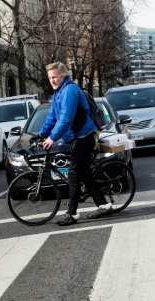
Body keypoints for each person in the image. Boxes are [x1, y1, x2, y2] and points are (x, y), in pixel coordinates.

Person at [39, 62, 113, 226]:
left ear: (63, 75)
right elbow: (52, 117)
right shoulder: (58, 93)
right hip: (75, 137)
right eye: (50, 77)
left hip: (84, 136)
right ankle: (104, 204)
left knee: (73, 174)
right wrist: (41, 134)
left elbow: (66, 118)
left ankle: (72, 213)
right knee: (84, 173)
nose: (52, 80)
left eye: (55, 77)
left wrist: (52, 138)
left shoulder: (70, 90)